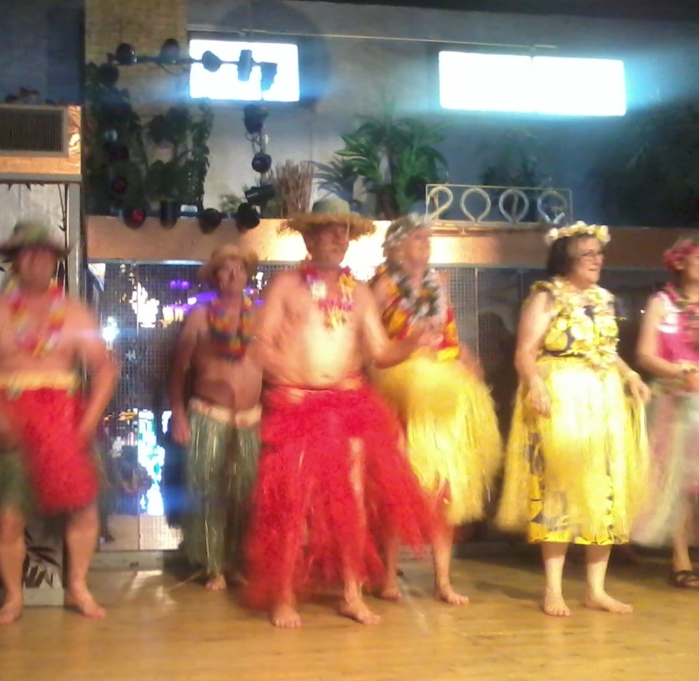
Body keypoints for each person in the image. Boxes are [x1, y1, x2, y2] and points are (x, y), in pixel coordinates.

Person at [245, 197, 434, 629]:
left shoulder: (360, 292)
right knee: (290, 505)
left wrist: (413, 341)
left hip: (349, 406)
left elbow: (381, 352)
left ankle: (351, 593)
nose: (337, 237)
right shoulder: (286, 286)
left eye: (343, 231)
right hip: (296, 407)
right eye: (327, 230)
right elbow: (258, 345)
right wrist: (287, 379)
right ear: (309, 238)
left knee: (353, 503)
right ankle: (284, 596)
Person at [0, 221, 118, 625]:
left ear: (55, 261)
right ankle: (13, 597)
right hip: (11, 417)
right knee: (9, 515)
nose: (36, 260)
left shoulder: (75, 311)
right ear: (14, 260)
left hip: (63, 419)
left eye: (44, 252)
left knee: (83, 507)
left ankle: (77, 586)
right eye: (27, 252)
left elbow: (105, 369)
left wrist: (88, 422)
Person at [496, 221, 649, 617]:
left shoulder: (603, 298)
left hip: (602, 400)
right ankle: (553, 589)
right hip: (560, 397)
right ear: (567, 258)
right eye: (588, 254)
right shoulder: (547, 297)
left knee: (604, 489)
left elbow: (605, 349)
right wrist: (535, 383)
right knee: (559, 490)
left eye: (599, 254)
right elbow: (524, 351)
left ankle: (595, 589)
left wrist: (629, 374)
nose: (597, 260)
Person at [370, 214, 502, 605]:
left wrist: (465, 355)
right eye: (416, 237)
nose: (425, 242)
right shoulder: (382, 286)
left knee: (444, 486)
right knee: (401, 483)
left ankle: (443, 580)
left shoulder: (438, 283)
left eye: (428, 237)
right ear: (395, 245)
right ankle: (388, 574)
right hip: (402, 389)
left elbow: (449, 336)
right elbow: (371, 344)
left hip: (443, 393)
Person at [168, 244, 263, 590]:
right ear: (214, 276)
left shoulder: (261, 317)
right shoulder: (200, 316)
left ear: (248, 275)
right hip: (209, 415)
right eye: (225, 269)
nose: (233, 275)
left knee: (246, 493)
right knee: (207, 492)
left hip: (251, 419)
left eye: (239, 268)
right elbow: (177, 369)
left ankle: (239, 561)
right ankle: (213, 565)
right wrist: (178, 413)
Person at [633, 233, 699, 588]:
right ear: (679, 262)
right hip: (677, 401)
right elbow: (646, 355)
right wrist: (682, 372)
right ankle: (681, 561)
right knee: (680, 483)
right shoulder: (662, 303)